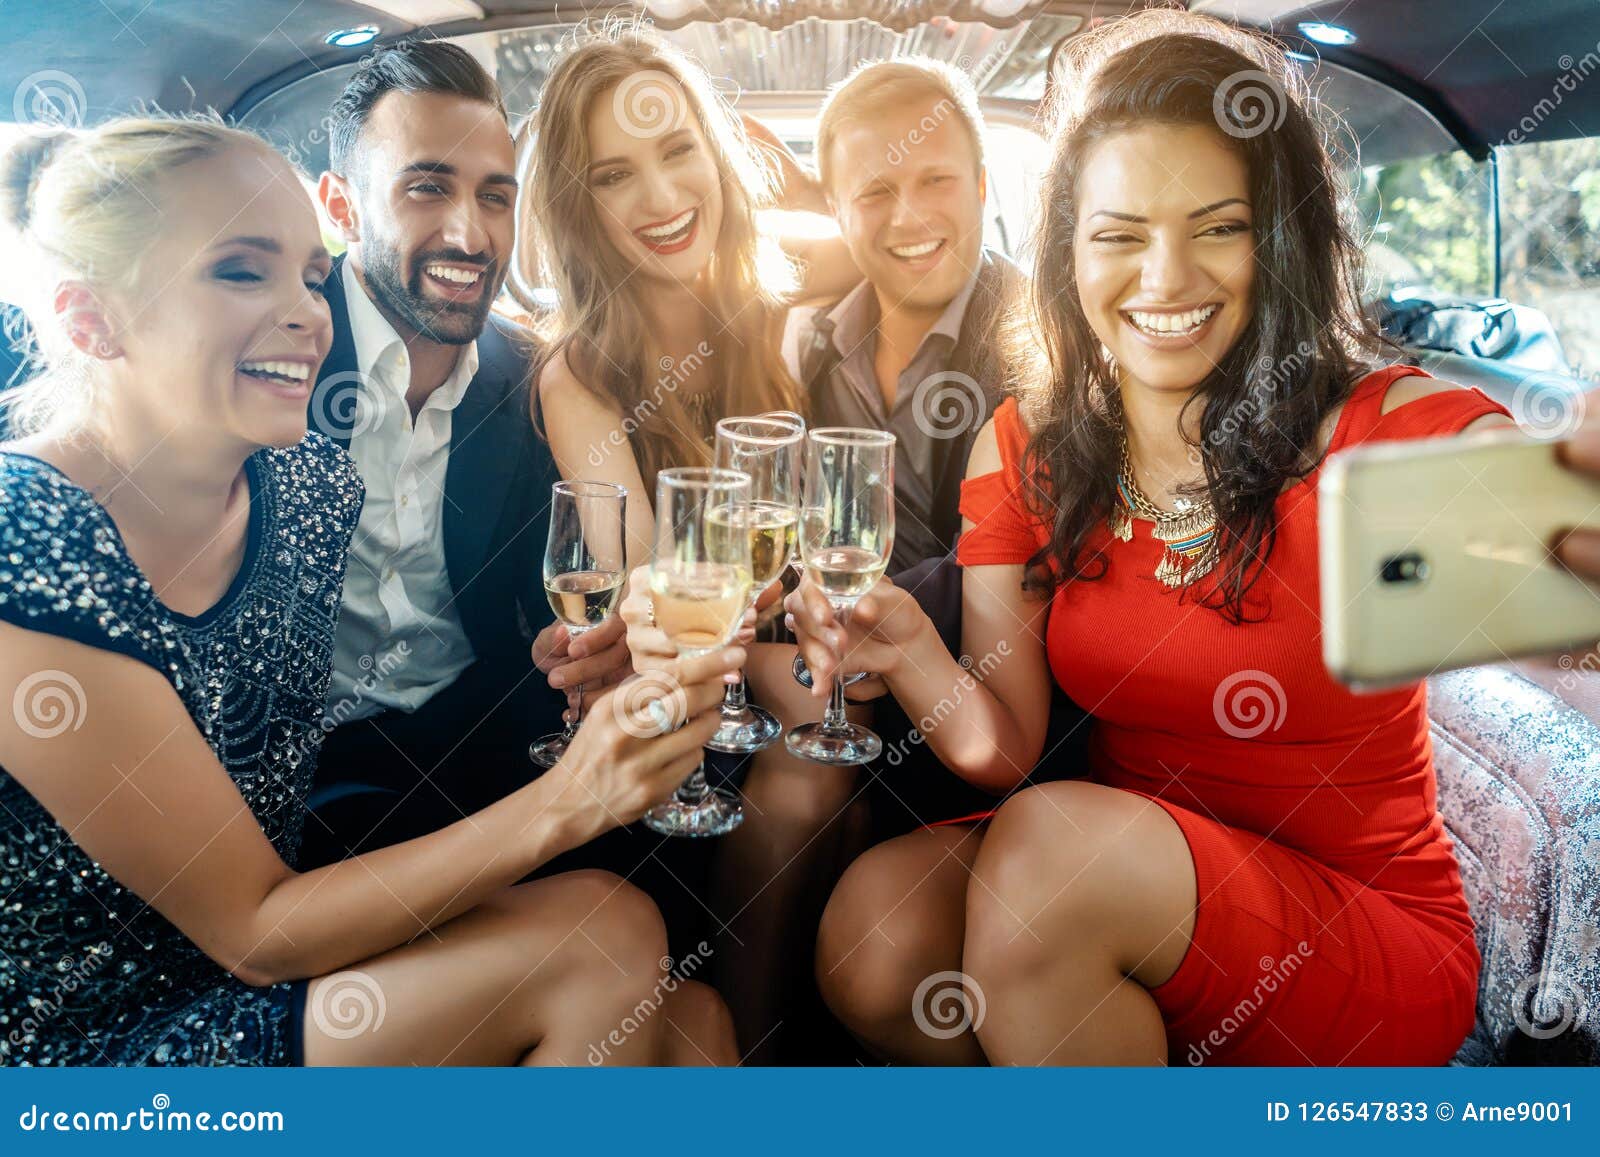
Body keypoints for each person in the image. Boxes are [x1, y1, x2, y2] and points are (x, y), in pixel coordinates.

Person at [789, 10, 1516, 1066]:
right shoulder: (1026, 445)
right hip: (1118, 900)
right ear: (1069, 256)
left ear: (1280, 240)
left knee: (1049, 860)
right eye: (1120, 235)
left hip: (1358, 928)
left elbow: (1534, 524)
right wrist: (904, 647)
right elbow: (1000, 746)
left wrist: (1563, 524)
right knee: (874, 935)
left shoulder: (1379, 425)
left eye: (1217, 227)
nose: (1164, 279)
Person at [0, 115, 737, 1067]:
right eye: (239, 270)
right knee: (604, 938)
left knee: (697, 1026)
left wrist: (581, 667)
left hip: (269, 960)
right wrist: (574, 794)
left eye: (313, 274)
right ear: (88, 319)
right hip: (90, 1053)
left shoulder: (308, 487)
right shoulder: (28, 539)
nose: (309, 312)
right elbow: (254, 927)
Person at [299, 39, 632, 865]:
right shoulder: (277, 353)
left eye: (494, 197)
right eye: (427, 188)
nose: (470, 233)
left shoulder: (529, 378)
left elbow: (551, 586)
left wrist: (585, 649)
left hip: (485, 724)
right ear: (341, 208)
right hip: (306, 761)